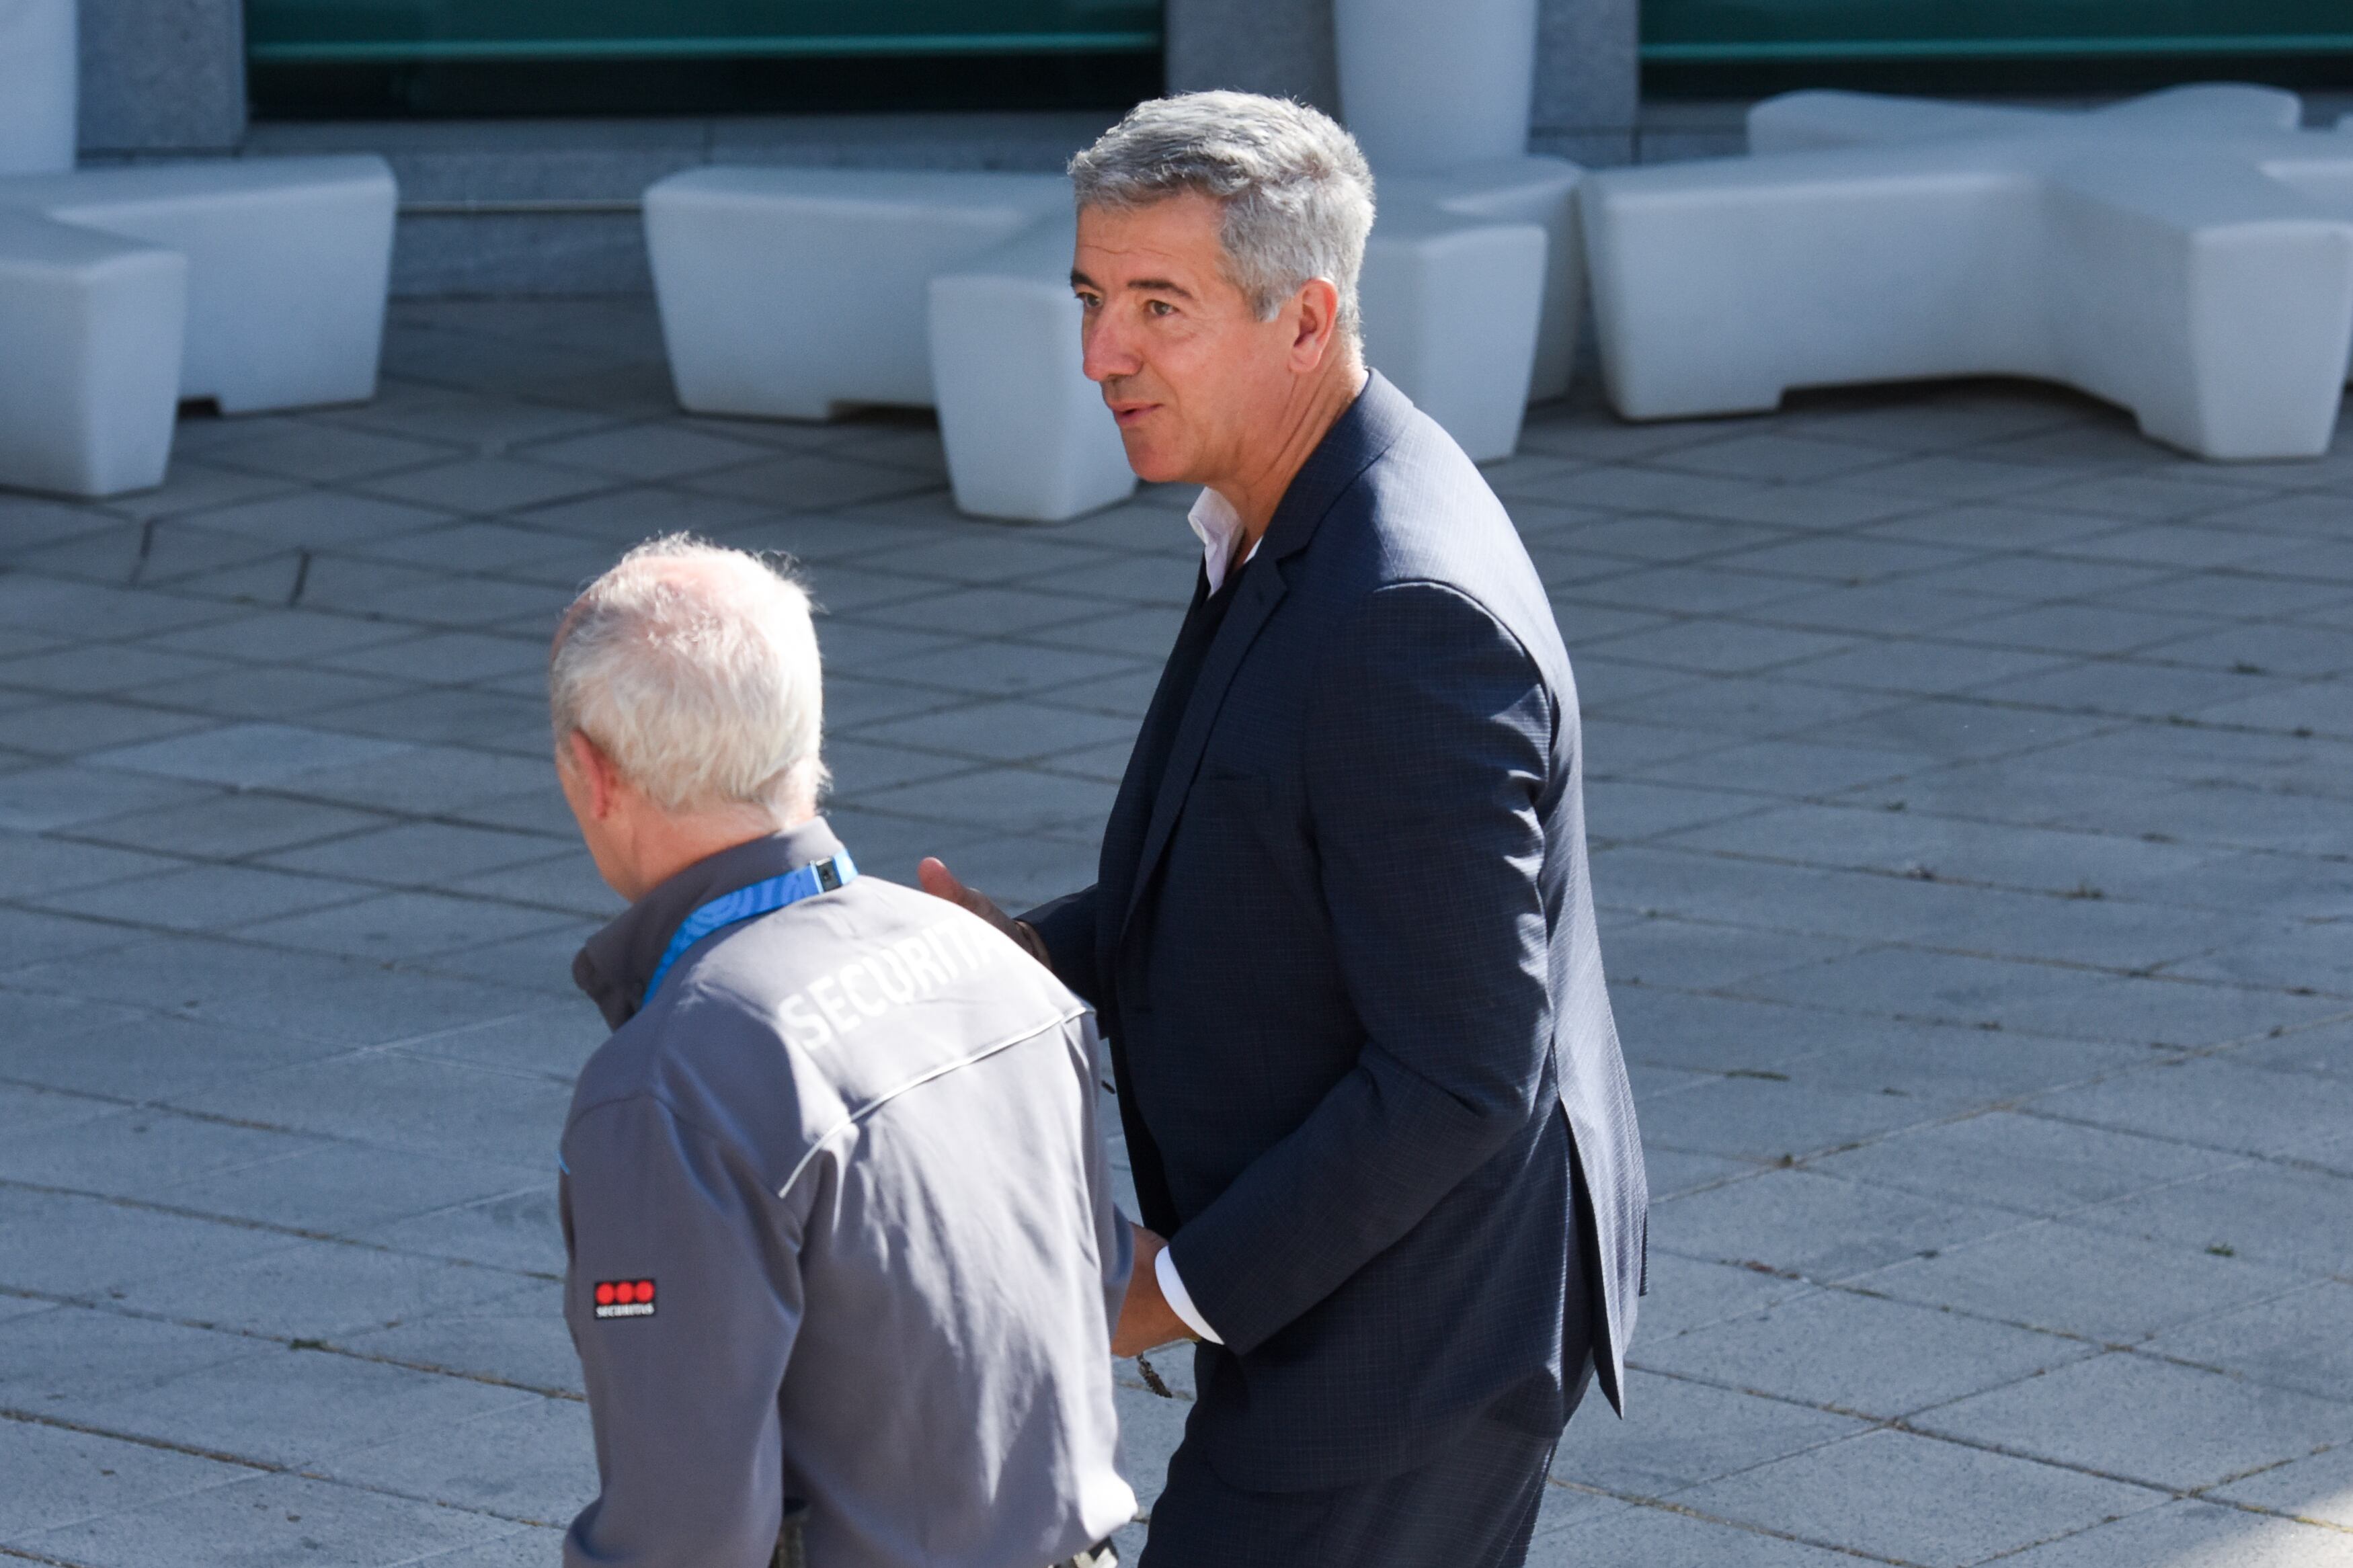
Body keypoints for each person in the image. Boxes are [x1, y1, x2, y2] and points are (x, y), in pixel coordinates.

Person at [920, 93, 1648, 1567]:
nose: (1097, 354)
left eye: (1156, 307)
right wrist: (1015, 965)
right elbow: (1257, 858)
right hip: (1357, 1288)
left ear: (1303, 320)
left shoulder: (1401, 615)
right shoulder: (1279, 509)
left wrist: (1168, 1290)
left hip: (1418, 1331)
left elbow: (1458, 1074)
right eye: (1089, 297)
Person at [550, 536, 1135, 1568]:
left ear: (591, 775)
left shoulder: (671, 1087)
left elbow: (682, 1534)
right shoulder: (999, 972)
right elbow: (1084, 1300)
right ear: (802, 742)